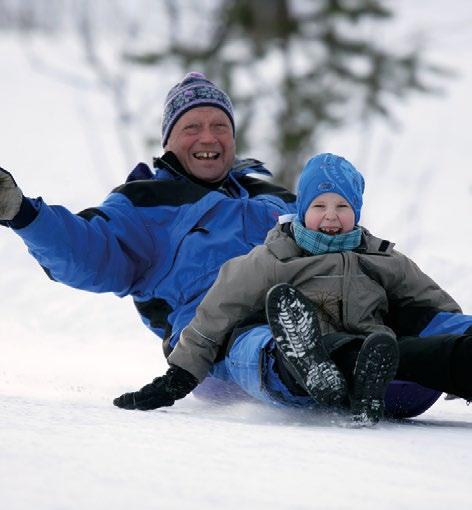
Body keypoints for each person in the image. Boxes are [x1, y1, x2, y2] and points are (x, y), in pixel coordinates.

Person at [0, 73, 470, 417]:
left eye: (219, 126)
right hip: (221, 339)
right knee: (258, 334)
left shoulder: (276, 199)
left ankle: (455, 351)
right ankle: (299, 363)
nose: (208, 137)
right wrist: (24, 214)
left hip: (336, 311)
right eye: (192, 127)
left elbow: (354, 249)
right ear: (169, 140)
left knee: (404, 306)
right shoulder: (145, 205)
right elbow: (89, 253)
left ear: (233, 136)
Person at [114, 153, 472, 426]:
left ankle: (367, 383)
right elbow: (217, 311)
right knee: (267, 337)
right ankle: (312, 363)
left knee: (407, 348)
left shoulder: (381, 258)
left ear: (357, 211)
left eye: (342, 207)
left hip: (377, 355)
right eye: (319, 206)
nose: (330, 216)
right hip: (302, 353)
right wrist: (180, 376)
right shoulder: (276, 257)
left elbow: (435, 309)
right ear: (302, 210)